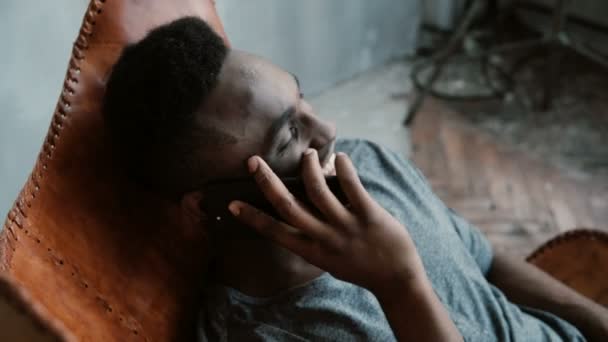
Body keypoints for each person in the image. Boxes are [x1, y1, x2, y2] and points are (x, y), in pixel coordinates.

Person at [103, 17, 608, 341]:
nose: (330, 132)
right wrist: (399, 282)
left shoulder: (364, 164)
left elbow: (487, 261)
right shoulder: (264, 334)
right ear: (207, 204)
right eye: (288, 138)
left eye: (302, 100)